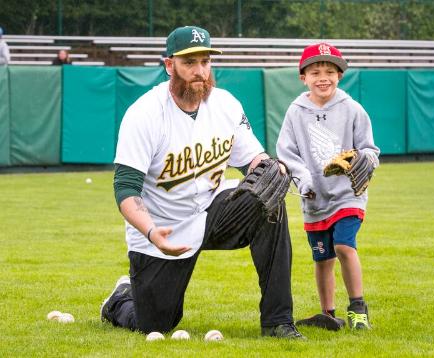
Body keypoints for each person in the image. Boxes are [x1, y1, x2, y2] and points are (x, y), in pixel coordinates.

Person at [100, 25, 304, 340]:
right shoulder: (144, 114)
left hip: (212, 211)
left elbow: (251, 157)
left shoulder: (225, 105)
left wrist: (270, 167)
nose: (200, 72)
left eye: (205, 62)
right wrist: (152, 232)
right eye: (190, 62)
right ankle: (119, 299)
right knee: (155, 324)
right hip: (162, 226)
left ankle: (278, 322)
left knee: (268, 202)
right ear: (169, 66)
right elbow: (125, 189)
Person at [276, 43, 380, 331]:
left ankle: (358, 309)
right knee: (322, 258)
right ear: (303, 77)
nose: (323, 77)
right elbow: (286, 152)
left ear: (340, 76)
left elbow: (370, 149)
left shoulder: (352, 109)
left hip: (348, 194)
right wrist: (304, 179)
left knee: (344, 245)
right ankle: (328, 314)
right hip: (314, 197)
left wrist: (363, 159)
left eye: (331, 71)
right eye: (316, 71)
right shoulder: (296, 112)